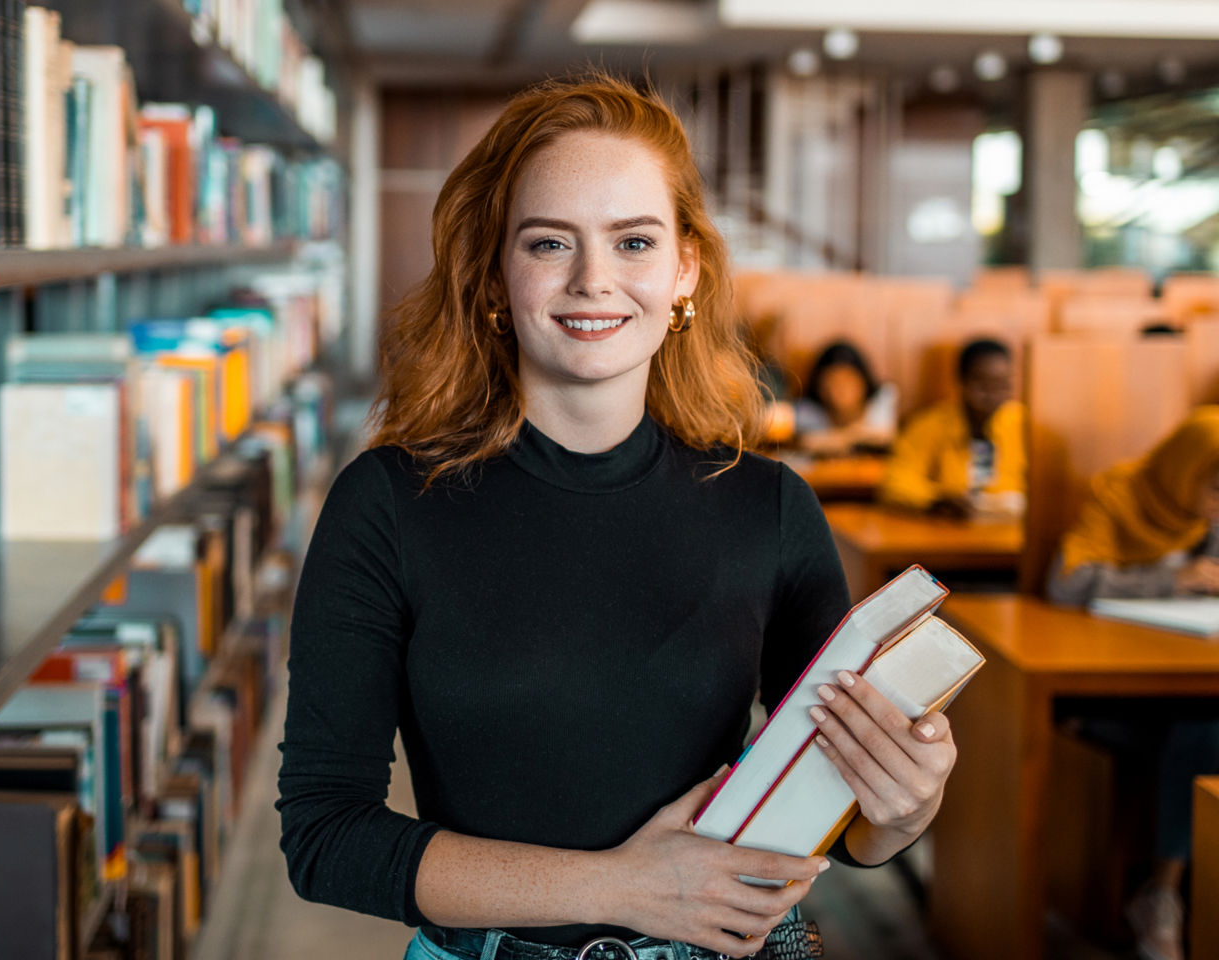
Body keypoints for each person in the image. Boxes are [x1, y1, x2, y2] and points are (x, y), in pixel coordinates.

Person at [276, 73, 958, 960]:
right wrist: (624, 888)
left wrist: (905, 806)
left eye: (633, 241)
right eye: (550, 242)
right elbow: (325, 838)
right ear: (496, 274)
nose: (593, 281)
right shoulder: (388, 505)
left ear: (684, 271)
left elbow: (838, 820)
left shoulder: (770, 507)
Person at [1047, 407, 1219, 960]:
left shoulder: (1210, 518)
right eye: (1213, 488)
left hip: (1188, 675)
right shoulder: (1121, 494)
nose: (1218, 504)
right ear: (1185, 470)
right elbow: (1066, 583)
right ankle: (1163, 896)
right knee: (1205, 732)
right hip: (1107, 691)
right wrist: (1171, 579)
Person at [878, 338, 1025, 520]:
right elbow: (896, 481)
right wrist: (936, 499)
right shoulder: (930, 425)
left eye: (1002, 385)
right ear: (961, 382)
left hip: (1009, 535)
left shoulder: (1025, 426)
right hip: (948, 532)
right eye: (983, 386)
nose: (993, 396)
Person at [793, 340, 897, 457]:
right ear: (819, 387)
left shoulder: (881, 397)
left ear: (864, 381)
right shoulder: (809, 407)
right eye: (833, 382)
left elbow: (883, 437)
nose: (841, 390)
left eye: (848, 381)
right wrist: (857, 437)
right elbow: (806, 442)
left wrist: (834, 440)